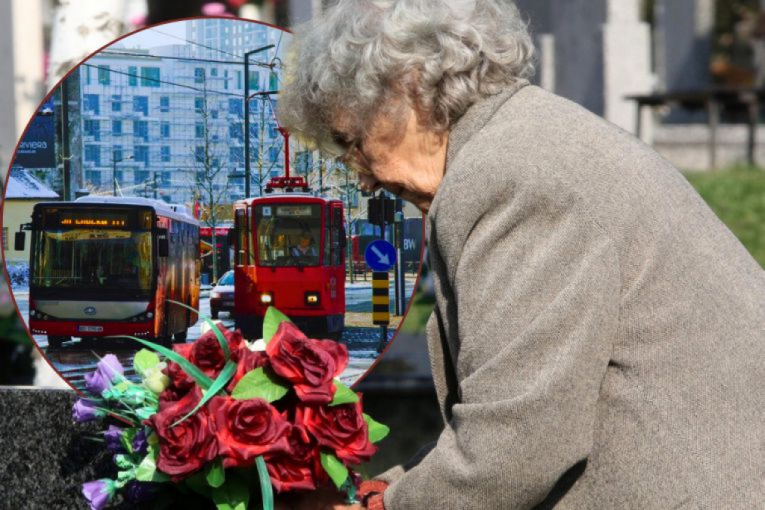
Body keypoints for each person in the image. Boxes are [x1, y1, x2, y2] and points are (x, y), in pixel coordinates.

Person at [278, 0, 765, 508]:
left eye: (352, 140)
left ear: (408, 88)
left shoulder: (508, 178)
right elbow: (513, 412)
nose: (362, 176)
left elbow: (513, 450)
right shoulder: (526, 138)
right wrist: (389, 490)